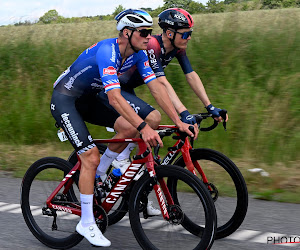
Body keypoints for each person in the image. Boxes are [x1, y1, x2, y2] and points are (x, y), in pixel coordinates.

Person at [50, 9, 196, 247]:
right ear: (127, 33)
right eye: (144, 32)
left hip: (90, 99)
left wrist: (179, 119)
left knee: (128, 130)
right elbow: (115, 98)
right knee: (90, 156)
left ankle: (101, 171)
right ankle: (86, 222)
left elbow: (156, 88)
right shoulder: (108, 52)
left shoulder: (138, 54)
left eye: (150, 32)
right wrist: (144, 127)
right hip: (66, 99)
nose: (150, 37)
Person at [101, 8, 228, 174]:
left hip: (128, 89)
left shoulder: (177, 48)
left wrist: (210, 106)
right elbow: (161, 82)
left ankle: (125, 172)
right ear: (169, 33)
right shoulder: (152, 46)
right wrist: (184, 113)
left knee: (149, 125)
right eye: (185, 34)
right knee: (149, 120)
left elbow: (191, 75)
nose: (188, 37)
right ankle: (120, 161)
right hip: (115, 88)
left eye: (190, 33)